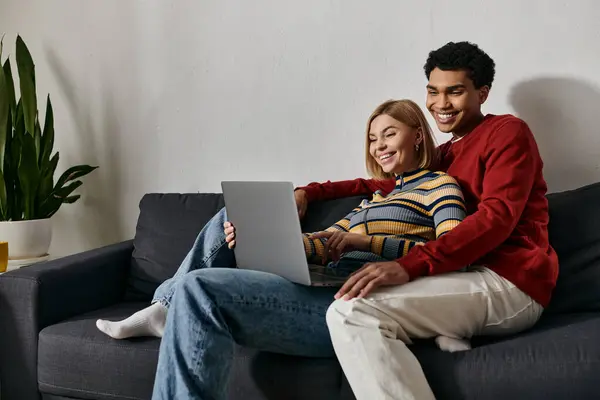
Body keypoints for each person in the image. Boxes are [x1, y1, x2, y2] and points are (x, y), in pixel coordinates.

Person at [128, 98, 466, 400]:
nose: (379, 146)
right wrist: (262, 236)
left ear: (418, 135)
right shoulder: (375, 199)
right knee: (213, 253)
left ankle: (164, 305)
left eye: (389, 134)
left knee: (197, 287)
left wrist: (369, 242)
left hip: (353, 306)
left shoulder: (440, 186)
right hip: (321, 284)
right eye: (373, 139)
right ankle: (167, 304)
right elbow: (322, 243)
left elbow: (452, 254)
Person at [285, 41, 559, 400]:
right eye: (433, 91)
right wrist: (309, 191)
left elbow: (497, 218)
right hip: (459, 277)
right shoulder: (444, 155)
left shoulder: (508, 132)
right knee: (351, 302)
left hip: (510, 281)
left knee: (353, 312)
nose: (440, 104)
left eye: (455, 92)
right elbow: (378, 183)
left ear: (483, 93)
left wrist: (410, 265)